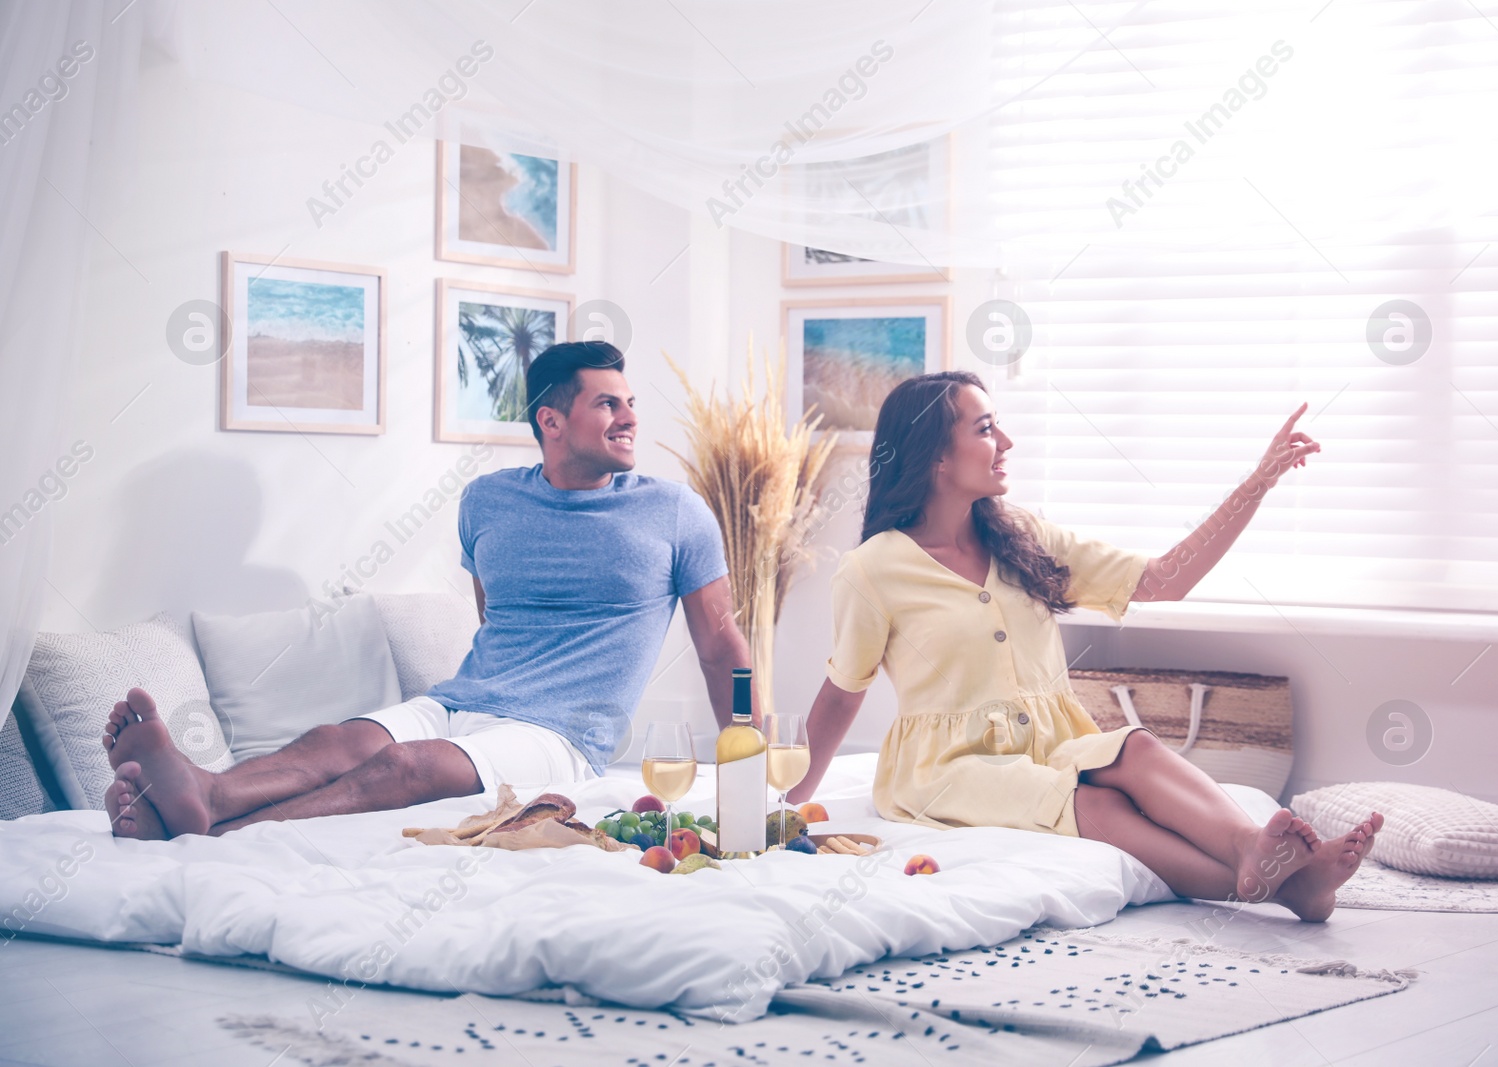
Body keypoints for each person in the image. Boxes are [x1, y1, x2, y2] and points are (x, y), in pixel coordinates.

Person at [787, 371, 1382, 922]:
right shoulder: (872, 570)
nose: (1008, 442)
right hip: (950, 769)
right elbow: (843, 694)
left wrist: (1258, 483)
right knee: (1096, 808)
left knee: (1136, 748)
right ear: (936, 457)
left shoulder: (1023, 537)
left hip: (1055, 742)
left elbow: (1166, 579)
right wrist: (784, 803)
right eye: (988, 428)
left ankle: (1255, 851)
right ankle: (1280, 887)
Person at [102, 340, 749, 838]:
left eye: (631, 402)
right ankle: (206, 790)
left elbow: (722, 644)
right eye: (609, 403)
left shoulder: (676, 512)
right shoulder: (487, 501)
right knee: (337, 741)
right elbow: (494, 615)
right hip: (462, 701)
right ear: (551, 421)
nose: (630, 417)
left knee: (404, 767)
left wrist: (747, 764)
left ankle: (217, 833)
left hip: (561, 735)